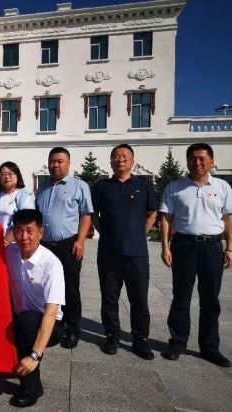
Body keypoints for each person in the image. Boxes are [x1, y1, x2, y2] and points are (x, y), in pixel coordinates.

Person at [160, 143, 232, 368]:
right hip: (184, 246)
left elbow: (228, 219)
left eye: (202, 158)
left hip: (212, 247)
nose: (197, 162)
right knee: (181, 295)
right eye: (192, 158)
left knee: (210, 298)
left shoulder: (222, 187)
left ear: (211, 161)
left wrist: (229, 248)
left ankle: (210, 346)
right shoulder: (175, 187)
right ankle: (177, 341)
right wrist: (165, 246)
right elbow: (166, 218)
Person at [92, 144, 157, 359]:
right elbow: (93, 214)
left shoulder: (143, 185)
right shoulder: (102, 186)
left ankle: (140, 339)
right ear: (111, 161)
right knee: (109, 296)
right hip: (109, 252)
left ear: (132, 160)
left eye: (124, 156)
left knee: (138, 298)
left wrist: (139, 233)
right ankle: (112, 335)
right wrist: (104, 231)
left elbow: (152, 213)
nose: (120, 160)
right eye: (116, 157)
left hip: (136, 252)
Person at [6, 209, 65, 408]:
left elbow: (51, 312)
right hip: (20, 316)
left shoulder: (51, 264)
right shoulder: (10, 252)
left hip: (50, 325)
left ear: (41, 233)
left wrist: (35, 356)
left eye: (30, 231)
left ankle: (30, 386)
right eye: (19, 230)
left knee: (27, 321)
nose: (24, 237)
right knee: (18, 321)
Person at [35, 147, 93, 349]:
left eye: (60, 161)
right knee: (46, 287)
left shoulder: (79, 186)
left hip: (68, 244)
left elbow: (86, 215)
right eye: (52, 161)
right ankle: (52, 326)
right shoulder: (42, 187)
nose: (55, 165)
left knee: (70, 288)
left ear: (68, 163)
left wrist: (80, 240)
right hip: (45, 246)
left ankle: (73, 328)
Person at [0, 161, 35, 245]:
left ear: (17, 176)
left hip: (16, 242)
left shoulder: (25, 195)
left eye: (10, 173)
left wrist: (7, 240)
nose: (7, 177)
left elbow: (26, 219)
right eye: (3, 174)